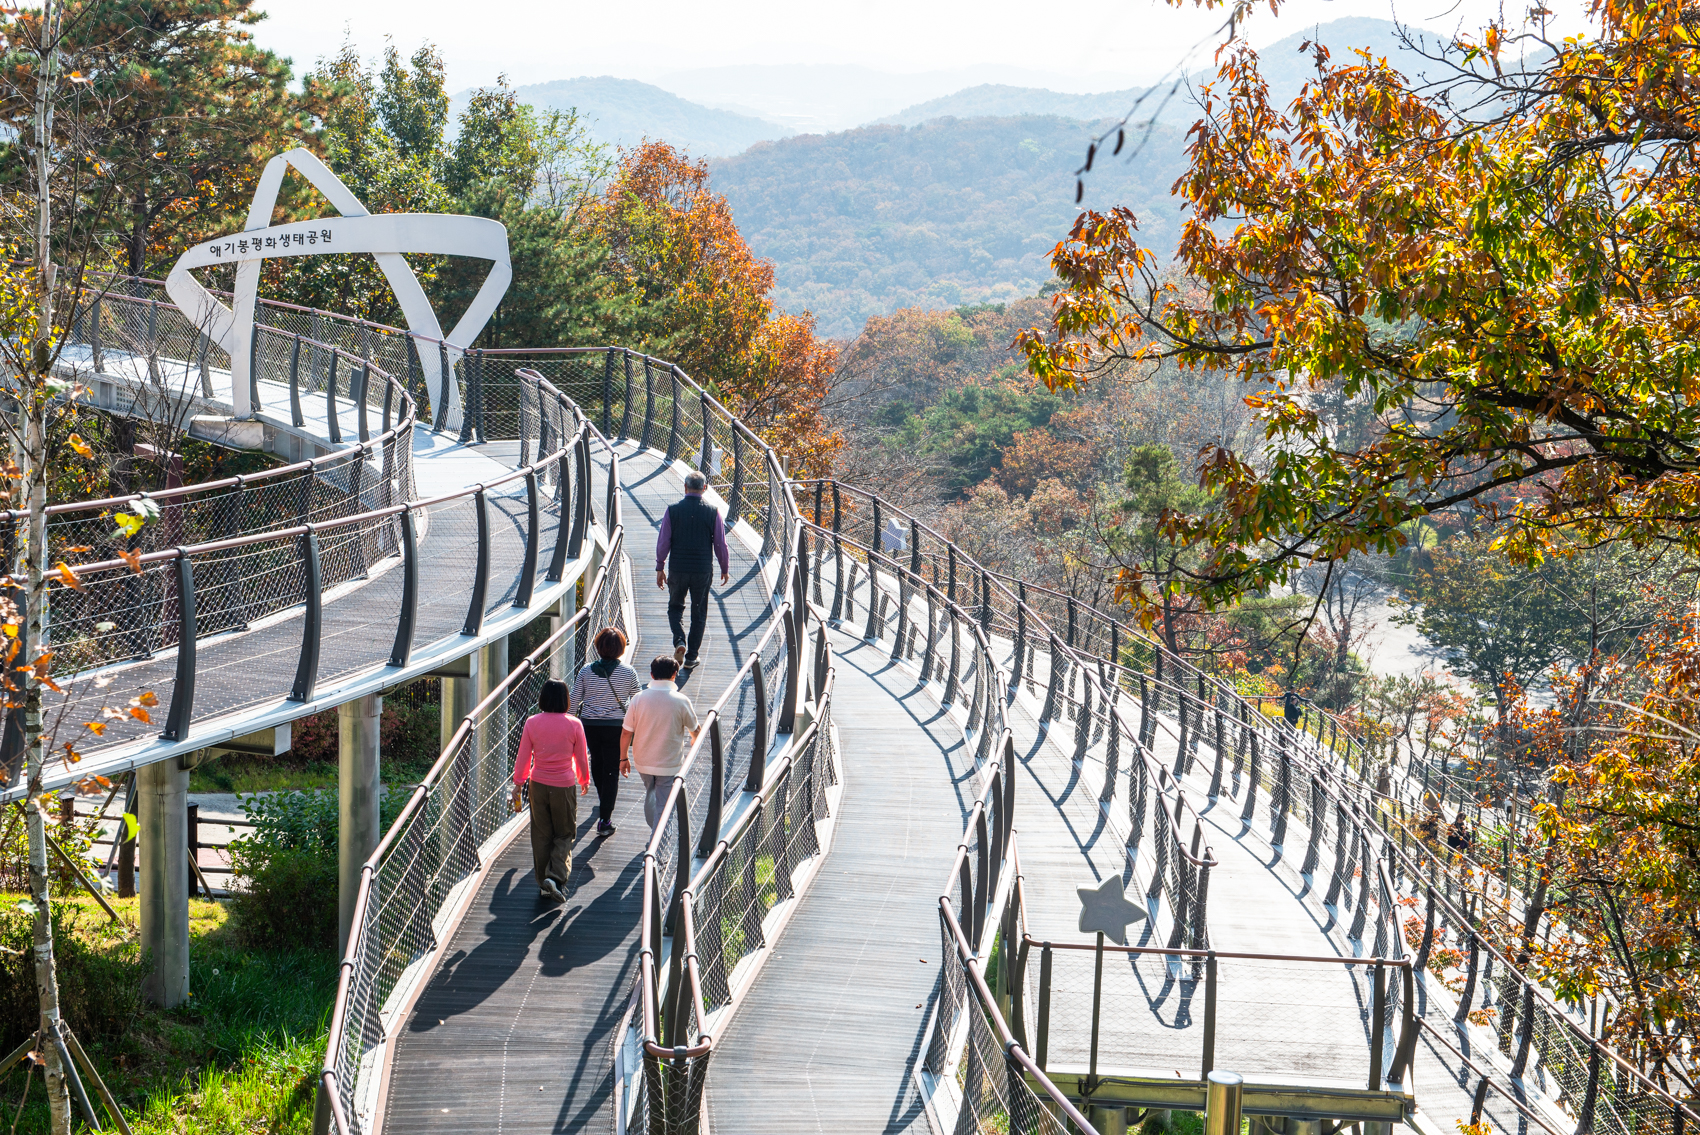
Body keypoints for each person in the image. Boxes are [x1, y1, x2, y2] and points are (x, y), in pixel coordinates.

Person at [510, 679, 589, 901]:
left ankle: (544, 883)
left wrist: (518, 783)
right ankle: (555, 877)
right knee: (565, 832)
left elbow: (524, 756)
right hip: (563, 785)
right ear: (566, 699)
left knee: (541, 834)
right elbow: (581, 757)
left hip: (538, 784)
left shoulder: (532, 722)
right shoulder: (574, 724)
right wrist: (584, 780)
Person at [656, 470, 731, 670]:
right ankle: (691, 657)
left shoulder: (672, 511)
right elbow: (720, 545)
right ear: (704, 489)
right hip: (702, 570)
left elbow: (664, 541)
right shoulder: (713, 512)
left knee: (675, 607)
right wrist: (724, 567)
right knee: (699, 612)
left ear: (685, 487)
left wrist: (660, 566)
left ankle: (680, 640)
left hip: (678, 568)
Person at [572, 626, 639, 837]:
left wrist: (569, 724)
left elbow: (574, 702)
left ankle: (604, 803)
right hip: (617, 726)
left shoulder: (585, 670)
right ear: (621, 648)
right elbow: (638, 700)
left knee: (597, 764)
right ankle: (605, 819)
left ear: (599, 647)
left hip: (589, 725)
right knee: (612, 770)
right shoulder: (628, 672)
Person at [621, 656, 700, 828]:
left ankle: (655, 830)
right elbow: (695, 729)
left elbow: (626, 731)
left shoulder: (638, 698)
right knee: (664, 804)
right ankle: (657, 841)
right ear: (675, 674)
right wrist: (694, 740)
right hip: (669, 764)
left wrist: (623, 758)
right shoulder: (681, 700)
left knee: (652, 793)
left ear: (651, 674)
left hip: (643, 762)